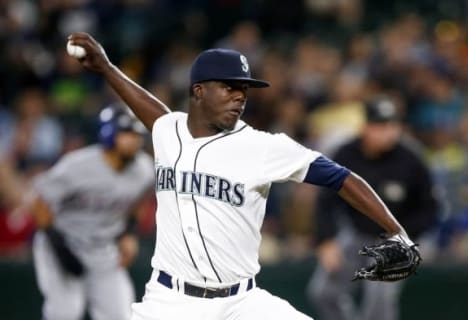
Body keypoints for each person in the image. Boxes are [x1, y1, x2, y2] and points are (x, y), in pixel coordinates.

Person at [67, 32, 417, 320]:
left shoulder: (262, 146)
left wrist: (396, 231)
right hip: (169, 302)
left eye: (244, 89)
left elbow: (343, 178)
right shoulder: (167, 130)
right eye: (229, 86)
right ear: (198, 90)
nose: (240, 96)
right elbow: (150, 108)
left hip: (242, 303)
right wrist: (107, 68)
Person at [306, 96, 437, 320]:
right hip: (357, 234)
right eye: (380, 125)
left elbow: (429, 208)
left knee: (379, 297)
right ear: (366, 127)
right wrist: (326, 239)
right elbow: (326, 200)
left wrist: (407, 240)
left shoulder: (410, 159)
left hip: (398, 239)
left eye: (392, 125)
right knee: (323, 293)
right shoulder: (346, 154)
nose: (388, 131)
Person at [30, 104, 154, 320]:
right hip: (62, 242)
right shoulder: (77, 166)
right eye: (126, 133)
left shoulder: (144, 170)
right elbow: (40, 202)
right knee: (65, 313)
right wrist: (60, 248)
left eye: (136, 134)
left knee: (120, 315)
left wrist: (130, 234)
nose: (134, 140)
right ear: (108, 133)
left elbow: (139, 200)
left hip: (103, 249)